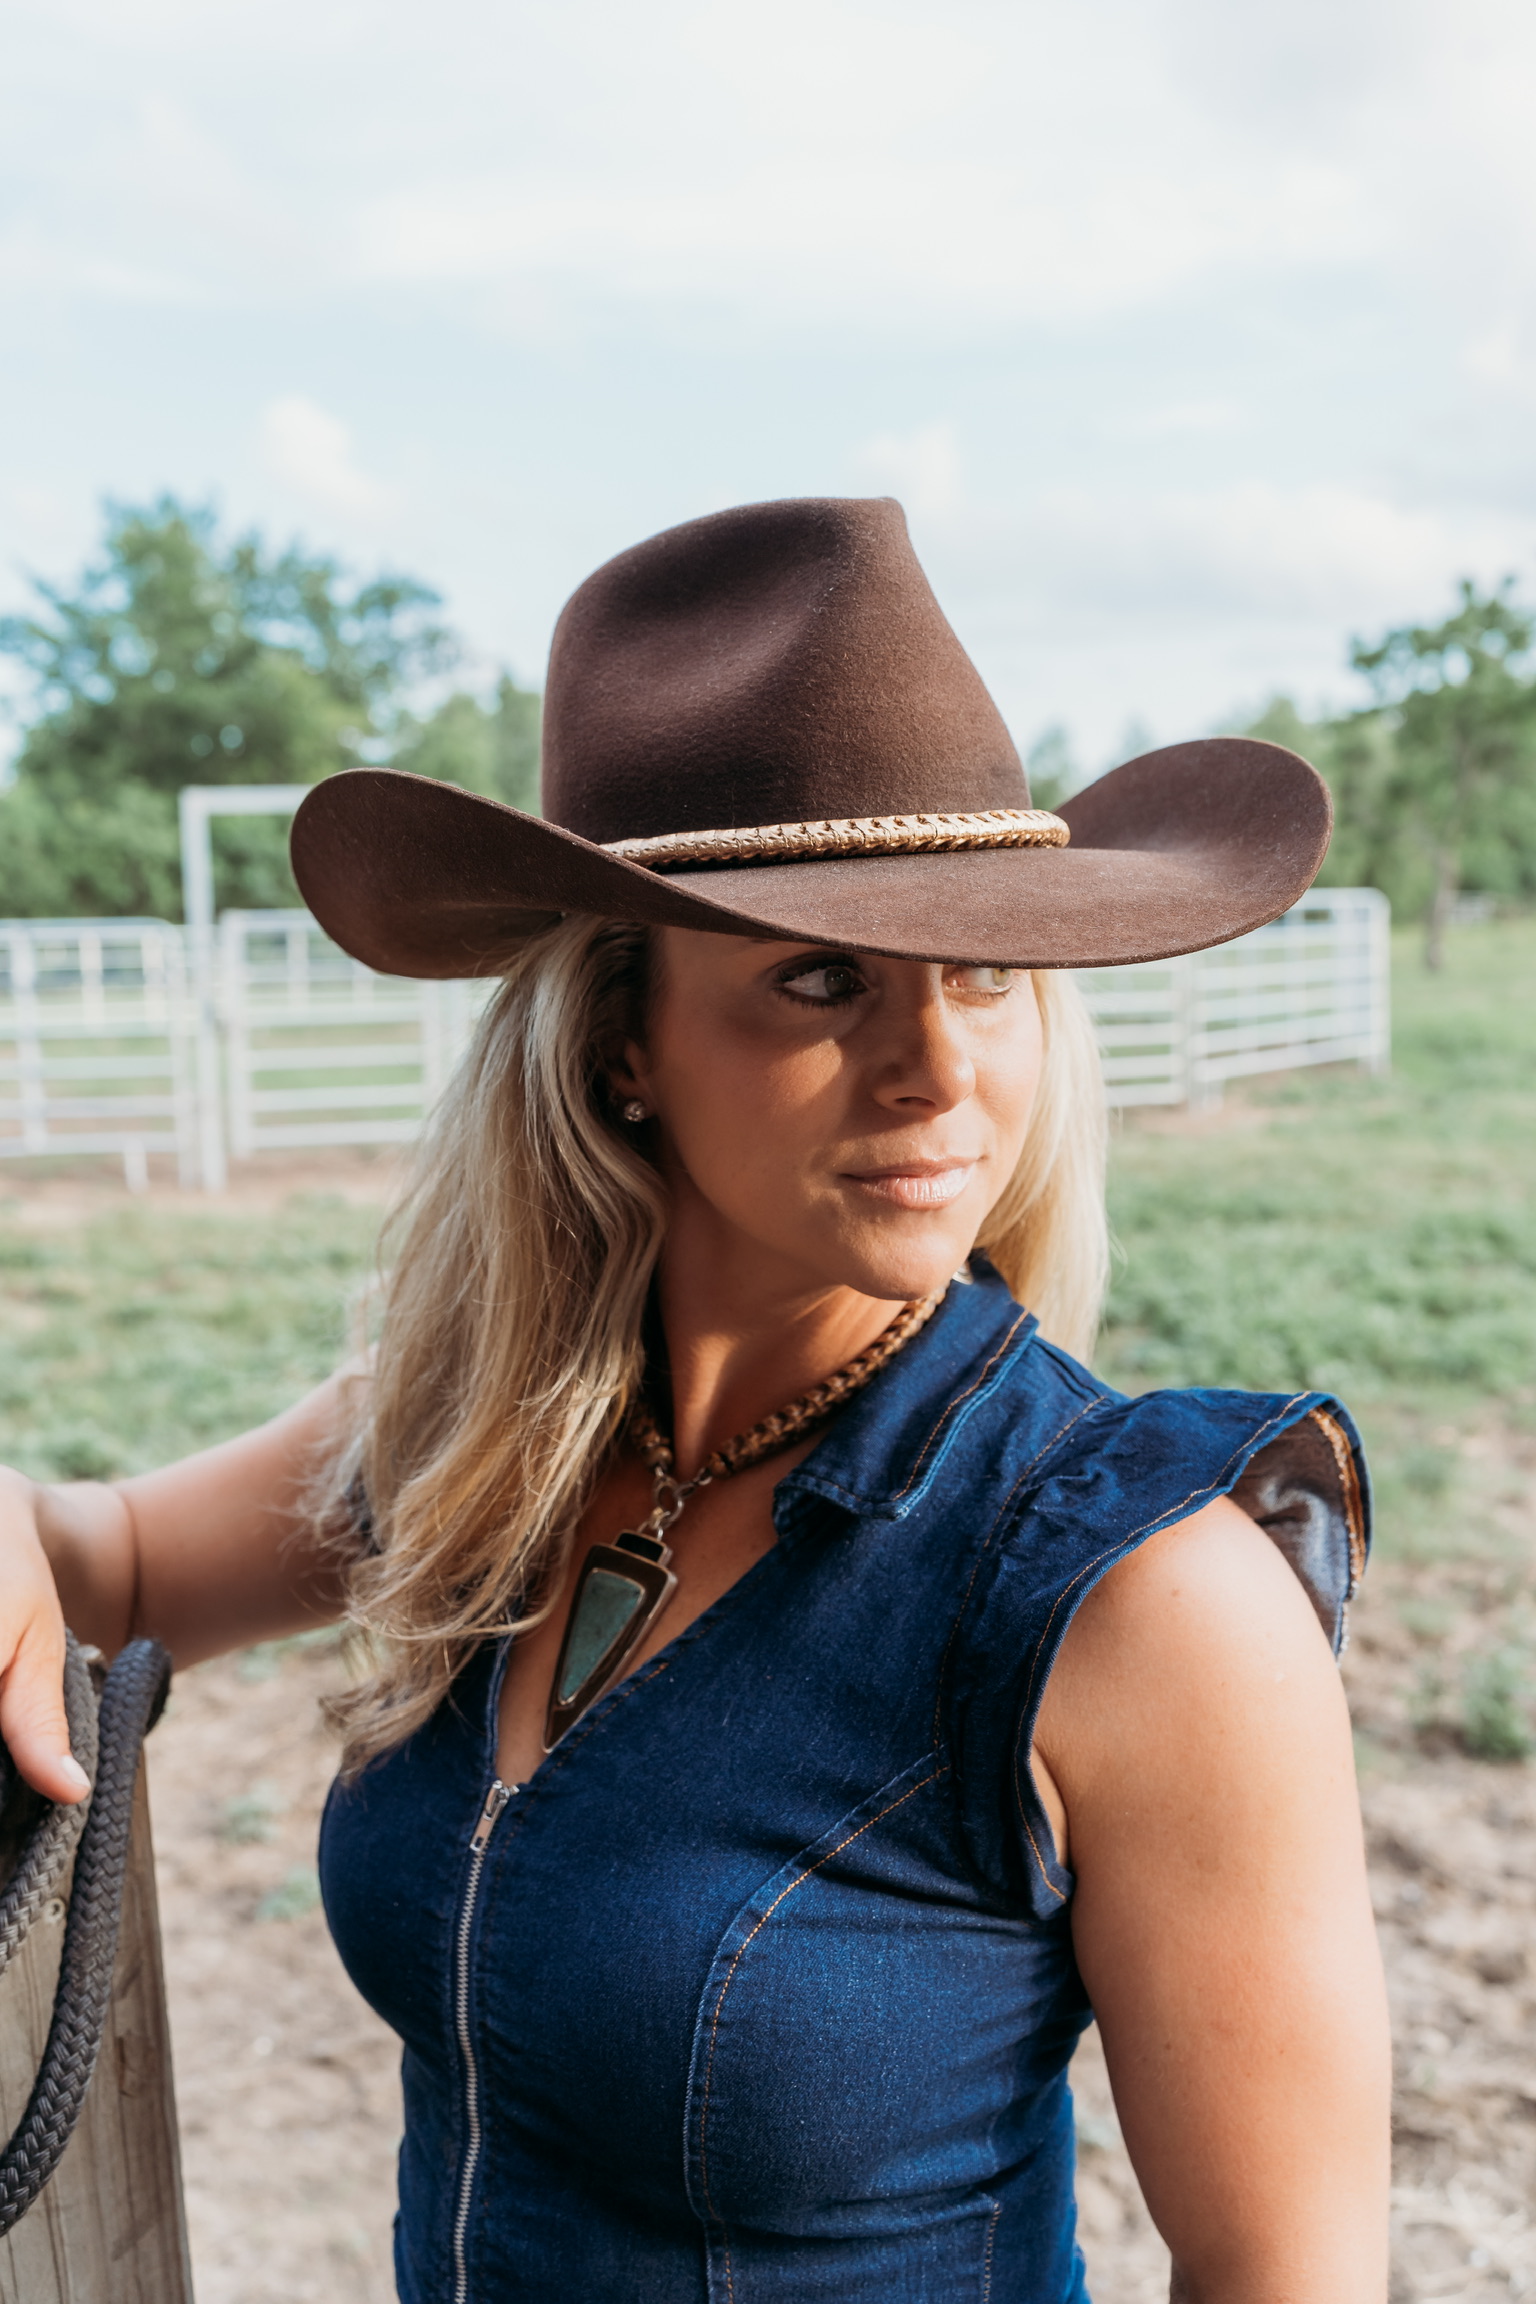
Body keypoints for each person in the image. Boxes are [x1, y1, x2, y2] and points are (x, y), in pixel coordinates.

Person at [0, 499, 1389, 2302]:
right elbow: (103, 1560)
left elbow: (1287, 2275)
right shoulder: (467, 1441)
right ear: (620, 1047)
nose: (941, 1068)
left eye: (988, 972)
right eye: (821, 979)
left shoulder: (1146, 1599)